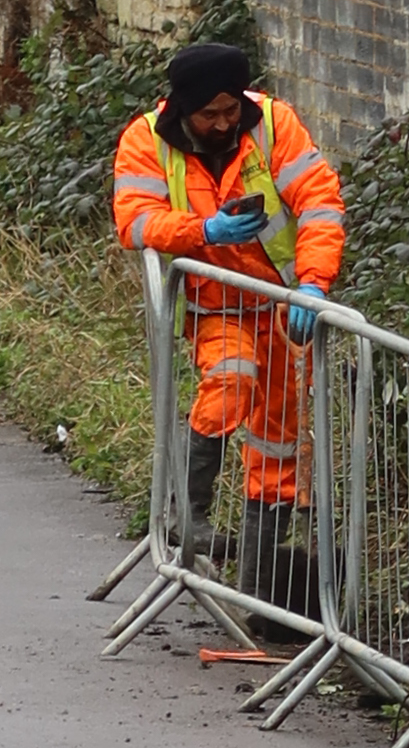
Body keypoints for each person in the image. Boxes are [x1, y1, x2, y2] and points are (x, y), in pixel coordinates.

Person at [111, 39, 345, 571]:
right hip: (214, 303)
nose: (222, 123)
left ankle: (261, 574)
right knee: (231, 379)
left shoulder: (273, 124)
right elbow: (136, 222)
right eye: (209, 114)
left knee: (280, 438)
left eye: (230, 110)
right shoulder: (145, 141)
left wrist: (313, 283)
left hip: (285, 306)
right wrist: (205, 231)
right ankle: (188, 513)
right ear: (181, 109)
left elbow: (319, 203)